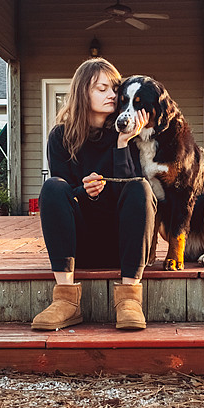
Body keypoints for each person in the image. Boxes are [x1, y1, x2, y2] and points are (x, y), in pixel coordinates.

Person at [32, 57, 157, 331]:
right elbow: (62, 196)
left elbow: (132, 192)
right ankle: (66, 301)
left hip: (124, 246)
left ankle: (129, 301)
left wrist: (123, 143)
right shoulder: (61, 137)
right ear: (82, 92)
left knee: (140, 186)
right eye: (102, 89)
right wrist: (85, 191)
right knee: (52, 186)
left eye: (113, 88)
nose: (112, 95)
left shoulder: (128, 134)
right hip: (81, 245)